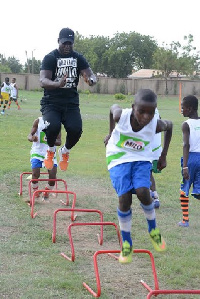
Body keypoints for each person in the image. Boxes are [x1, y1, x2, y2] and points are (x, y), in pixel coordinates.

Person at [104, 89, 173, 264]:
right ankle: (127, 242)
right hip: (118, 156)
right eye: (141, 111)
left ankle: (154, 231)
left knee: (144, 191)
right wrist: (111, 132)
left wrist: (163, 155)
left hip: (141, 158)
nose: (145, 117)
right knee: (124, 198)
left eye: (150, 112)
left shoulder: (156, 124)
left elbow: (170, 125)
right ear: (133, 107)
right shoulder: (122, 115)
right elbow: (112, 109)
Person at [39, 27, 97, 172]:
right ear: (58, 41)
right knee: (52, 127)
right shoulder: (50, 57)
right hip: (51, 102)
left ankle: (64, 151)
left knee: (76, 130)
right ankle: (51, 150)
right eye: (64, 43)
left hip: (71, 103)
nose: (67, 46)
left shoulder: (78, 58)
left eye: (70, 43)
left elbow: (89, 73)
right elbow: (43, 80)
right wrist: (57, 84)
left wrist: (91, 79)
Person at [178, 95, 200, 227]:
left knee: (184, 189)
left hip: (191, 158)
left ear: (190, 109)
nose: (181, 110)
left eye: (183, 107)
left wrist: (185, 166)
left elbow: (186, 145)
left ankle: (185, 220)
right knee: (198, 191)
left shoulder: (186, 124)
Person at [28, 116, 61, 201]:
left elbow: (59, 142)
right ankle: (36, 192)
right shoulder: (38, 121)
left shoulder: (57, 123)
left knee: (53, 177)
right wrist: (32, 138)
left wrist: (51, 140)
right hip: (37, 151)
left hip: (50, 152)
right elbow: (29, 135)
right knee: (35, 174)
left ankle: (46, 192)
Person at [150, 107, 162, 209]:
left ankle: (153, 196)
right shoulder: (156, 110)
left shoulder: (146, 110)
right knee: (148, 173)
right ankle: (154, 197)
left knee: (147, 173)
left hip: (149, 149)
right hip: (156, 149)